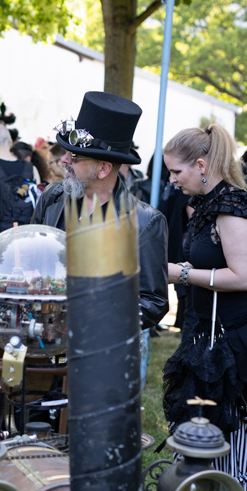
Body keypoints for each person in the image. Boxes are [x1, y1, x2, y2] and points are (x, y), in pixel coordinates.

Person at [162, 124, 247, 491]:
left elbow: (245, 276)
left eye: (176, 171)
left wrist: (177, 272)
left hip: (235, 337)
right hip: (209, 330)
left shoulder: (232, 206)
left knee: (231, 433)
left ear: (202, 165)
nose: (171, 180)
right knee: (209, 429)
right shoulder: (206, 204)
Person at [31, 92, 169, 334]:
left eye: (73, 155)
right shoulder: (52, 197)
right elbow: (31, 257)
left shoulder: (145, 222)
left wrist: (95, 323)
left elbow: (152, 302)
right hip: (41, 338)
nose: (63, 160)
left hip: (99, 354)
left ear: (104, 168)